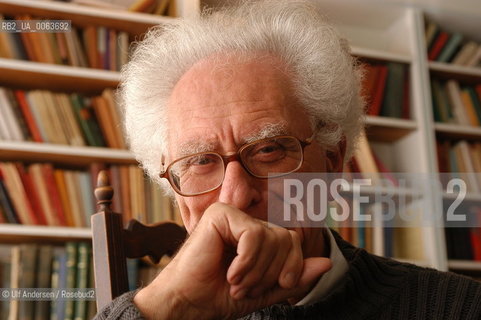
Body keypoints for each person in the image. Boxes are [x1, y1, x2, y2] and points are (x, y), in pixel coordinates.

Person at [95, 1, 481, 319]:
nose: (234, 197)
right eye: (199, 162)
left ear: (332, 160)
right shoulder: (163, 313)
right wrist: (167, 307)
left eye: (268, 150)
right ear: (175, 192)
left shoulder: (458, 308)